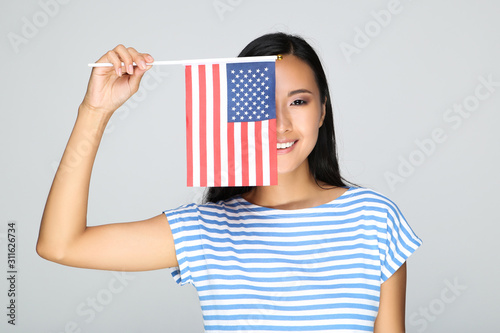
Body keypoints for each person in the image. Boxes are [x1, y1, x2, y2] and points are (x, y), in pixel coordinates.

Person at [37, 32, 422, 332]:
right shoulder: (206, 229)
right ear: (236, 115)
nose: (281, 124)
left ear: (323, 110)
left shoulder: (375, 219)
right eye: (261, 104)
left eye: (299, 101)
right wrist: (95, 110)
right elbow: (60, 244)